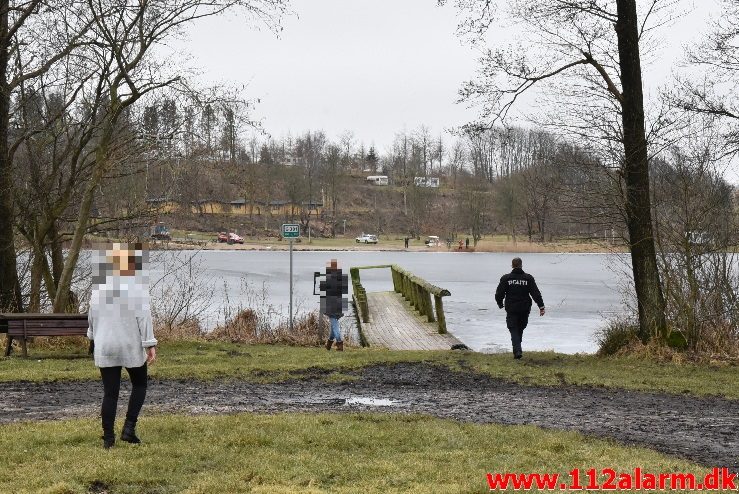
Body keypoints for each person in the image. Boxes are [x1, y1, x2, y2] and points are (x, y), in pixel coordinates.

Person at [87, 243, 157, 449]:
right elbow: (144, 320)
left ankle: (108, 438)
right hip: (129, 344)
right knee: (140, 384)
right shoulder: (137, 291)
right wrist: (149, 344)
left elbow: (91, 321)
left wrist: (93, 338)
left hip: (105, 345)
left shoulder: (97, 292)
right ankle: (129, 428)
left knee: (110, 393)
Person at [494, 257, 545, 359]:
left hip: (511, 308)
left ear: (512, 265)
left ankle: (517, 350)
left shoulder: (506, 278)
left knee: (513, 328)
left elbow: (499, 293)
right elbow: (535, 293)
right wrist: (541, 306)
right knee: (520, 328)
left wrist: (500, 303)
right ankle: (518, 350)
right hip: (524, 308)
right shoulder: (528, 278)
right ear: (521, 265)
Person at [320, 259, 348, 351]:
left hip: (332, 306)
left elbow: (324, 291)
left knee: (335, 326)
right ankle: (329, 344)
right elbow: (344, 291)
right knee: (333, 325)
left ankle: (340, 344)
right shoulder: (342, 278)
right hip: (339, 305)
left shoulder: (329, 279)